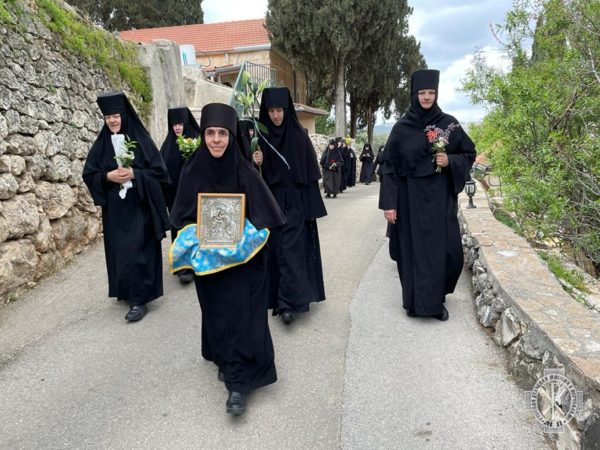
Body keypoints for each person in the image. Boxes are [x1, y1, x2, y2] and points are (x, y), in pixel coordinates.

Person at [169, 103, 286, 416]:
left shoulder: (244, 171)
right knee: (217, 315)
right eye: (210, 133)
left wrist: (244, 234)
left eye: (222, 133)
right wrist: (197, 231)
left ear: (231, 136)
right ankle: (225, 359)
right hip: (209, 265)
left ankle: (239, 384)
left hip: (243, 265)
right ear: (203, 135)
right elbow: (180, 216)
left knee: (242, 318)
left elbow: (267, 219)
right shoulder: (192, 170)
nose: (216, 140)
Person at [379, 69, 476, 321]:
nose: (426, 97)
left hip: (440, 200)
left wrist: (450, 161)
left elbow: (469, 153)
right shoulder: (402, 128)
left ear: (436, 94)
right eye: (422, 92)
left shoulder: (448, 123)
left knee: (447, 252)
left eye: (431, 92)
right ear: (414, 94)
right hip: (409, 200)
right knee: (412, 252)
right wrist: (389, 204)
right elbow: (389, 167)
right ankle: (417, 304)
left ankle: (436, 298)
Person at [83, 91, 170, 322]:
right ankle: (127, 290)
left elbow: (160, 172)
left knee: (138, 251)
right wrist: (108, 176)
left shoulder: (141, 139)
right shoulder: (102, 143)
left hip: (140, 206)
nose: (112, 120)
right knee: (121, 252)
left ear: (124, 116)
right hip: (115, 211)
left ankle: (139, 300)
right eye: (107, 117)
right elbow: (89, 174)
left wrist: (135, 174)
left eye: (115, 116)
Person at [252, 86, 327, 324]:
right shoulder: (259, 138)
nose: (276, 115)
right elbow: (252, 175)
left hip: (295, 202)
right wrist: (256, 161)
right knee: (275, 250)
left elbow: (309, 174)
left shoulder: (298, 136)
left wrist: (311, 208)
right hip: (271, 202)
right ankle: (278, 299)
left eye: (280, 110)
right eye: (271, 111)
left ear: (286, 110)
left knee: (291, 250)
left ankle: (289, 304)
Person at [159, 106, 200, 284]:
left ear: (186, 124)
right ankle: (183, 266)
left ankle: (195, 263)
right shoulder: (167, 145)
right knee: (178, 229)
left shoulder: (197, 142)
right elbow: (160, 170)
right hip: (174, 197)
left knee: (194, 227)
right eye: (174, 124)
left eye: (180, 124)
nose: (177, 128)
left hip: (194, 196)